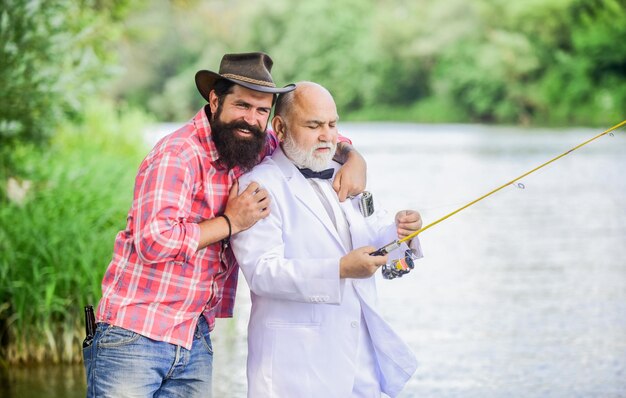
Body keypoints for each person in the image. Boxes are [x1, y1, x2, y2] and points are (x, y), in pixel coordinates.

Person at [84, 53, 367, 398]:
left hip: (195, 335)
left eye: (262, 110)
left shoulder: (250, 144)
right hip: (135, 335)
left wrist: (353, 158)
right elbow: (154, 241)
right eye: (243, 105)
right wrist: (231, 222)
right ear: (215, 100)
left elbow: (311, 138)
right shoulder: (178, 155)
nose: (251, 119)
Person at [231, 81, 424, 397]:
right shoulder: (258, 185)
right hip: (295, 370)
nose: (327, 136)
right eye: (314, 125)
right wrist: (339, 269)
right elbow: (262, 273)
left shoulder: (345, 172)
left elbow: (373, 237)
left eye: (333, 124)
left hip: (359, 361)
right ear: (279, 127)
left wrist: (401, 231)